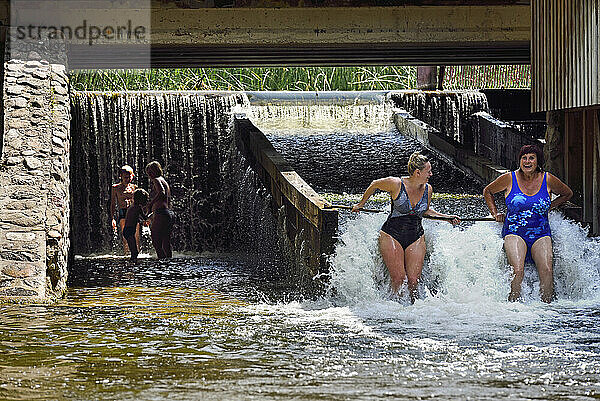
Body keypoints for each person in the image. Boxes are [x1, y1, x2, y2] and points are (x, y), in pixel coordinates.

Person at [352, 152, 459, 303]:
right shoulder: (396, 184)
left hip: (415, 235)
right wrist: (360, 204)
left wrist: (446, 218)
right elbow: (374, 184)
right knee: (399, 279)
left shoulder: (428, 189)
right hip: (391, 234)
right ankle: (395, 309)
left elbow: (425, 211)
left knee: (413, 281)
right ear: (417, 172)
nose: (431, 174)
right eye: (428, 171)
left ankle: (413, 311)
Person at [483, 144, 573, 303]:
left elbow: (567, 193)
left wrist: (550, 206)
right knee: (518, 270)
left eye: (531, 158)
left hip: (541, 233)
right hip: (514, 232)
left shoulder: (548, 179)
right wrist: (495, 213)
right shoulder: (509, 178)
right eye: (524, 158)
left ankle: (547, 308)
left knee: (546, 270)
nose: (527, 161)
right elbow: (488, 191)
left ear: (538, 161)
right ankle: (513, 306)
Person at [146, 161, 174, 259]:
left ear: (157, 170)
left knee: (156, 240)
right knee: (166, 241)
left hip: (161, 213)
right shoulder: (163, 180)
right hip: (168, 213)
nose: (149, 174)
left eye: (151, 171)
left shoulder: (156, 180)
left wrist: (150, 204)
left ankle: (161, 262)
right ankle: (168, 263)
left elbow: (161, 192)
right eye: (148, 172)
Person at [110, 165, 140, 254]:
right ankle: (126, 253)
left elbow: (139, 204)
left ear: (132, 176)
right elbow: (112, 204)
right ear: (121, 177)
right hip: (123, 212)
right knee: (126, 235)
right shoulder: (115, 188)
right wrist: (112, 218)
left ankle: (136, 253)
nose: (127, 179)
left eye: (129, 177)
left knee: (136, 236)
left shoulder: (134, 188)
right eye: (125, 177)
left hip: (133, 212)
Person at [123, 189, 149, 262]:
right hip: (129, 231)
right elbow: (145, 217)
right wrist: (151, 213)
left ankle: (132, 265)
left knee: (134, 251)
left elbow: (134, 218)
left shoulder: (132, 206)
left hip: (127, 230)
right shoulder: (138, 208)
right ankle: (132, 266)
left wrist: (141, 222)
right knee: (134, 252)